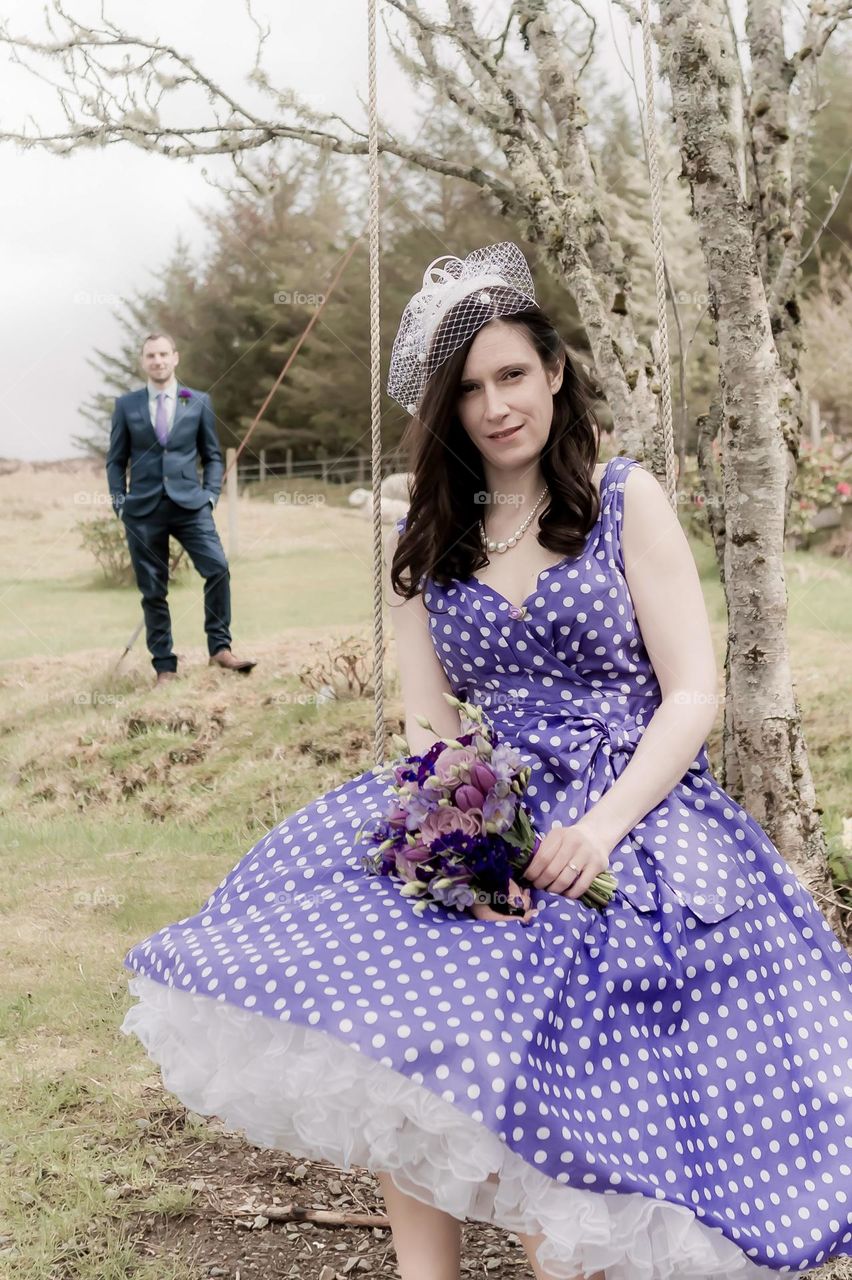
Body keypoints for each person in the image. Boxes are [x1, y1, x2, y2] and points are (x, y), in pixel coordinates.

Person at [120, 245, 852, 1280]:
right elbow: (428, 720)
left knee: (575, 1072)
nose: (496, 404)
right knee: (401, 1027)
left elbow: (692, 692)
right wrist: (464, 848)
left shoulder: (620, 499)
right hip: (488, 810)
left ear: (553, 370)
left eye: (512, 374)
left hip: (628, 810)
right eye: (469, 388)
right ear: (447, 410)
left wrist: (598, 828)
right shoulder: (429, 537)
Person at [106, 332, 256, 686]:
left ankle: (220, 648)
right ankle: (165, 667)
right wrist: (120, 503)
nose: (157, 361)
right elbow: (115, 461)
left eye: (163, 354)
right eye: (150, 356)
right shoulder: (126, 405)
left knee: (218, 569)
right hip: (142, 511)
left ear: (175, 357)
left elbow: (213, 456)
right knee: (153, 590)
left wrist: (210, 496)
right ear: (143, 362)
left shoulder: (198, 401)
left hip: (191, 506)